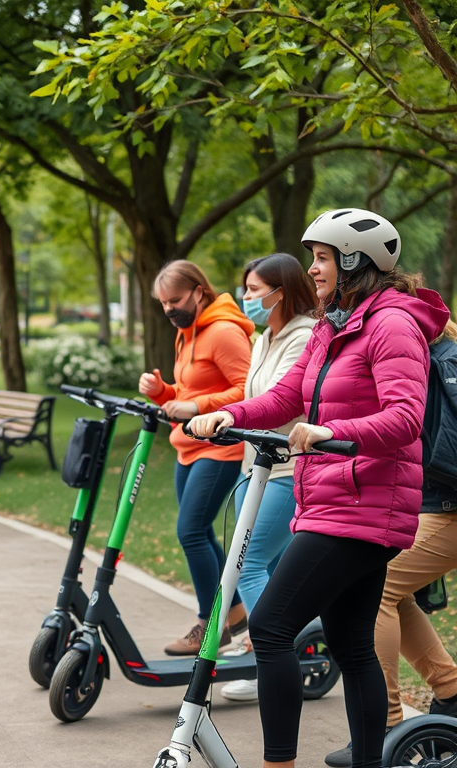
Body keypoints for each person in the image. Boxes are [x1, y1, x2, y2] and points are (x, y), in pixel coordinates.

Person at [188, 208, 450, 768]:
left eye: (323, 258)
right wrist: (227, 415)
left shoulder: (393, 324)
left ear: (356, 262)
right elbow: (286, 397)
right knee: (354, 647)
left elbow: (405, 417)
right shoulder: (335, 324)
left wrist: (332, 431)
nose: (313, 269)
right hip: (334, 501)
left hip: (364, 506)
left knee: (272, 625)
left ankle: (277, 762)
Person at [325, 317, 457, 768]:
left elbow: (434, 446)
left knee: (375, 588)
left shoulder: (438, 365)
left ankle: (383, 725)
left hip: (449, 510)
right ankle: (450, 689)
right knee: (381, 583)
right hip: (436, 506)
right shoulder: (431, 359)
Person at [139, 259, 255, 656]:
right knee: (201, 533)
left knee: (190, 531)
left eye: (175, 300)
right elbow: (185, 397)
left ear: (199, 291)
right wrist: (161, 392)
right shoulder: (186, 335)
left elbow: (249, 390)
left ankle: (212, 623)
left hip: (222, 446)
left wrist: (199, 406)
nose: (170, 309)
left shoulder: (223, 332)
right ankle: (236, 616)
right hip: (188, 447)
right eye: (163, 304)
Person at [219, 253, 318, 703]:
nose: (246, 298)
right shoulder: (263, 339)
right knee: (271, 568)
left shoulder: (304, 336)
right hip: (253, 469)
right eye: (246, 289)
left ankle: (273, 663)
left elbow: (282, 403)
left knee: (248, 564)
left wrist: (228, 416)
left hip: (285, 470)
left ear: (281, 291)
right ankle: (294, 653)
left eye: (255, 290)